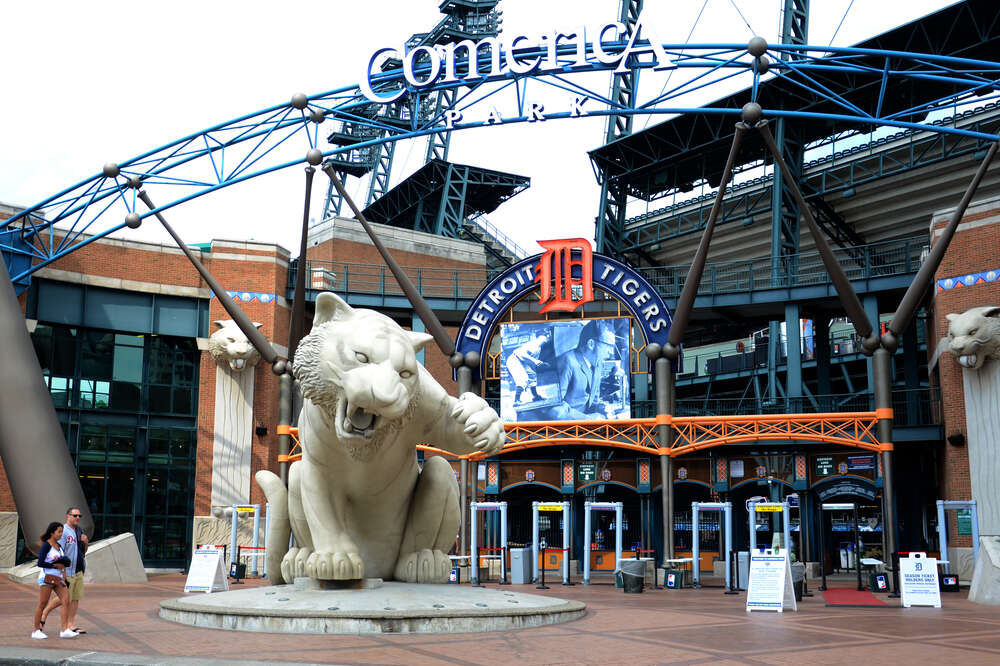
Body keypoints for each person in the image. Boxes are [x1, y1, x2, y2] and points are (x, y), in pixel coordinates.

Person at [555, 321, 617, 419]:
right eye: (608, 346)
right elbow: (554, 407)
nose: (611, 352)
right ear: (591, 344)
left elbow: (592, 399)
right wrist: (588, 419)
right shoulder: (566, 361)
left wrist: (600, 407)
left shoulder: (597, 364)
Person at [40, 507, 88, 635]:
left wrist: (86, 542)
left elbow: (83, 552)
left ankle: (71, 624)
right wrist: (61, 571)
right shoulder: (63, 532)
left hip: (78, 570)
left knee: (75, 598)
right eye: (75, 515)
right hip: (67, 571)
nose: (77, 518)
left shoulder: (79, 531)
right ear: (68, 516)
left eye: (79, 516)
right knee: (64, 598)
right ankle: (44, 613)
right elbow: (58, 552)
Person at [32, 521, 77, 639]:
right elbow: (40, 563)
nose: (61, 534)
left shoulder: (59, 546)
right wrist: (54, 566)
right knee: (42, 603)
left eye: (62, 532)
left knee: (66, 600)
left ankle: (64, 630)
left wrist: (63, 572)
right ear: (52, 533)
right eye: (59, 532)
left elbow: (63, 563)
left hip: (58, 579)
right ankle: (36, 631)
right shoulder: (46, 545)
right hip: (47, 578)